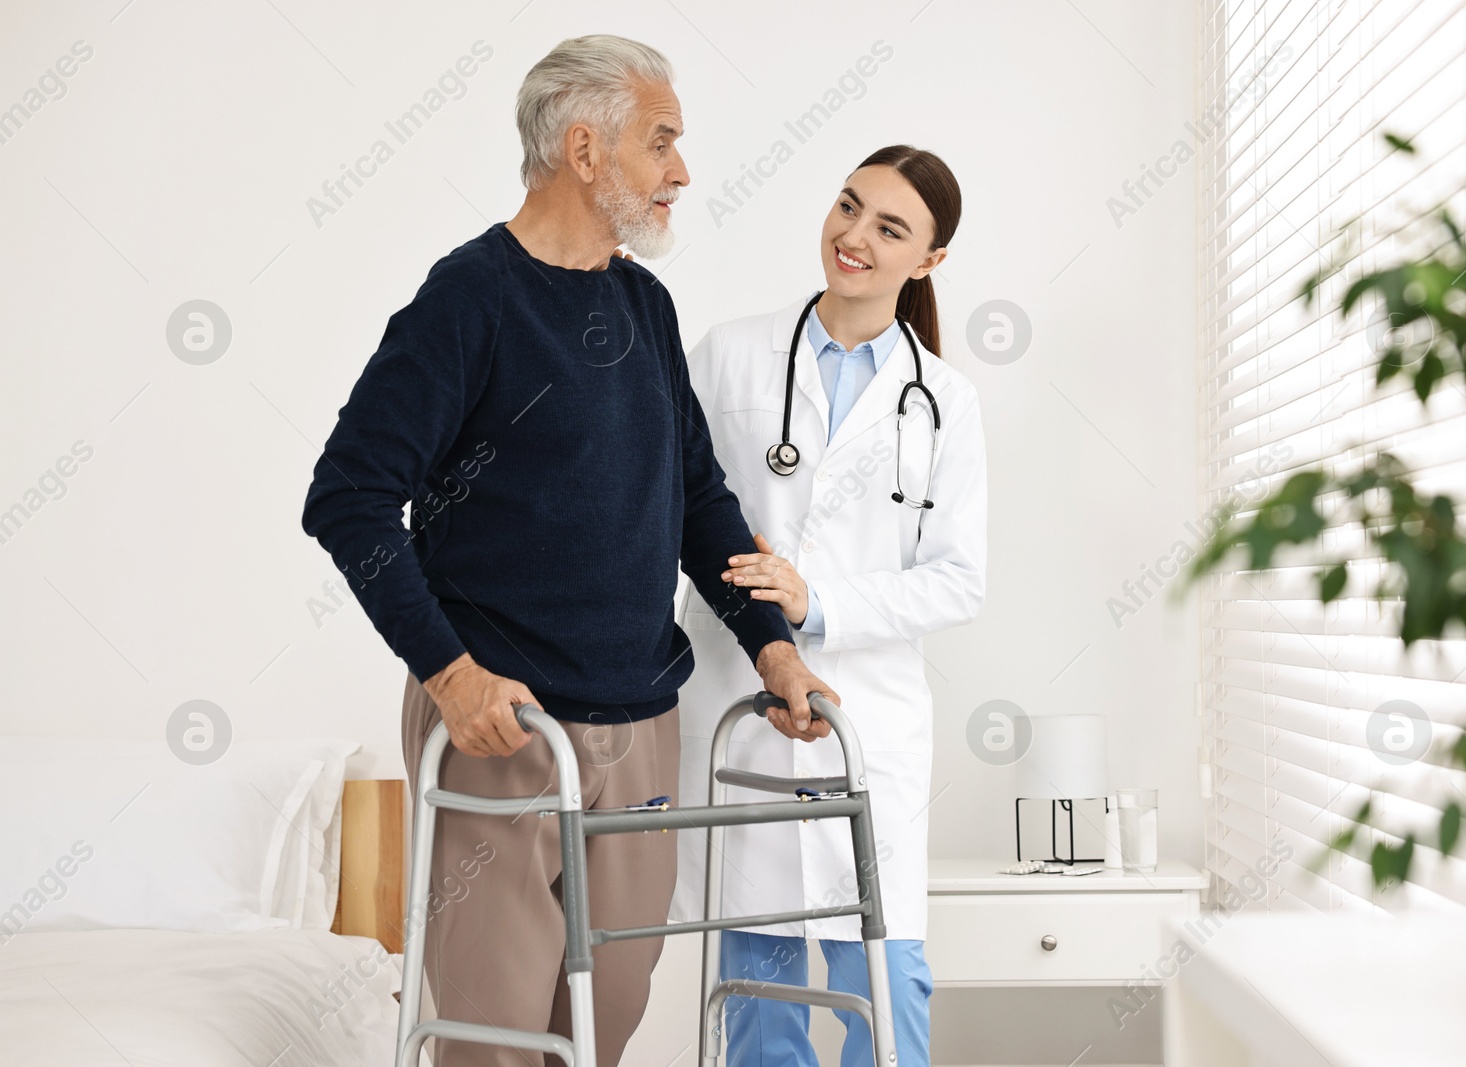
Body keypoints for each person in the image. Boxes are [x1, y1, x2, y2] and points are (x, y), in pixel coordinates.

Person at [300, 35, 837, 1067]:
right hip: (503, 729)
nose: (682, 171)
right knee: (489, 1038)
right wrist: (449, 675)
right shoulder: (471, 299)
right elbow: (349, 498)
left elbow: (696, 498)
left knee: (599, 1029)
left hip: (639, 727)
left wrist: (772, 647)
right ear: (584, 149)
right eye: (662, 142)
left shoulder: (643, 303)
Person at [669, 145, 988, 1067]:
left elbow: (959, 577)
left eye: (889, 228)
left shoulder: (946, 403)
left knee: (883, 1000)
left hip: (867, 724)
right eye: (848, 208)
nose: (853, 236)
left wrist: (817, 603)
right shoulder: (729, 354)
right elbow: (678, 517)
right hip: (744, 702)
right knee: (760, 999)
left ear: (926, 260)